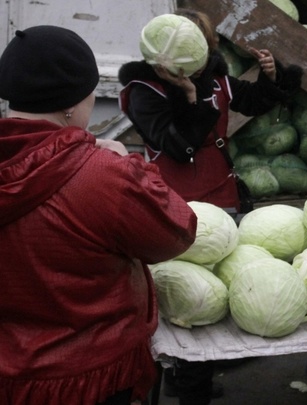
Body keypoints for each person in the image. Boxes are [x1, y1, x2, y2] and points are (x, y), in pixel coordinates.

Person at [0, 25, 197, 404]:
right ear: (72, 102)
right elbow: (177, 231)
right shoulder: (102, 176)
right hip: (88, 380)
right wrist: (132, 170)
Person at [118, 10, 302, 405]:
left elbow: (253, 102)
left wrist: (271, 76)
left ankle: (196, 374)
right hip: (172, 202)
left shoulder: (215, 80)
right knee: (183, 299)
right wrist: (189, 99)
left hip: (221, 196)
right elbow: (176, 144)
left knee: (214, 289)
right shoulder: (142, 91)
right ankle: (186, 383)